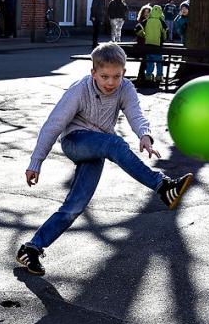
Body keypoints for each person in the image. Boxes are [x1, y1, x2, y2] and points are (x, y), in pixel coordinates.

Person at [16, 43, 195, 275]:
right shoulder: (79, 90)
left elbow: (136, 113)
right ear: (93, 73)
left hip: (99, 147)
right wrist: (36, 162)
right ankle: (163, 186)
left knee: (75, 206)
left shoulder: (125, 88)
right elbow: (53, 125)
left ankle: (31, 248)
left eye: (116, 76)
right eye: (104, 77)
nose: (111, 83)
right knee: (115, 143)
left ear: (124, 72)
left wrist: (145, 135)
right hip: (75, 141)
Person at [135, 5, 167, 84]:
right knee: (159, 62)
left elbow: (137, 28)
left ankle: (148, 76)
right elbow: (166, 32)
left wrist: (143, 34)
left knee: (150, 62)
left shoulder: (147, 20)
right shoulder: (161, 21)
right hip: (158, 46)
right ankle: (159, 76)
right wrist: (163, 38)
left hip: (148, 44)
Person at [134, 4, 152, 83]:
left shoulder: (152, 22)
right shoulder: (141, 22)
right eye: (145, 12)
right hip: (142, 44)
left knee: (146, 59)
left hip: (148, 43)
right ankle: (141, 75)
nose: (146, 14)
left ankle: (142, 75)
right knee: (145, 59)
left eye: (148, 12)